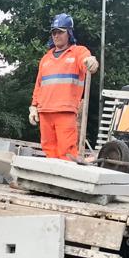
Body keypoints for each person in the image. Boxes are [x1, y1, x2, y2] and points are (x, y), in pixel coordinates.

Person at [28, 13, 100, 162]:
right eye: (54, 32)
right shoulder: (46, 58)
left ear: (69, 33)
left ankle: (65, 183)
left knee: (67, 153)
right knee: (49, 152)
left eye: (60, 32)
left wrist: (91, 62)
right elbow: (39, 85)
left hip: (65, 112)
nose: (56, 35)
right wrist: (33, 107)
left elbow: (86, 61)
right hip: (45, 111)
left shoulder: (78, 52)